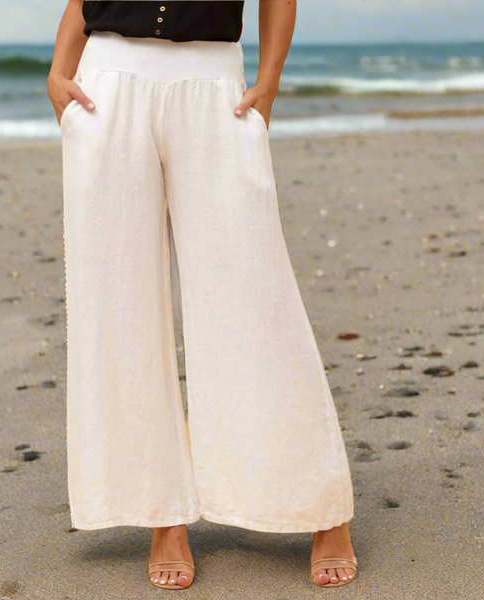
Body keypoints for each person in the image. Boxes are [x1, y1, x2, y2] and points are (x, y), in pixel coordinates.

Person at [47, 0, 357, 590]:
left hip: (214, 85)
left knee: (254, 296)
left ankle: (320, 505)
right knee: (117, 304)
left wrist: (268, 81)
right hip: (105, 85)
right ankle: (162, 515)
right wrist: (59, 69)